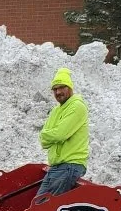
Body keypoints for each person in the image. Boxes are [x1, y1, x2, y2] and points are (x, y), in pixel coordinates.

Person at [36, 68, 89, 197]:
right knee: (39, 207)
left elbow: (60, 134)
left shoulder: (77, 106)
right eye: (55, 89)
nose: (58, 92)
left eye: (62, 87)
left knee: (42, 208)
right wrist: (49, 135)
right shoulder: (56, 110)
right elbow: (43, 140)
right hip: (57, 167)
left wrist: (49, 134)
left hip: (69, 166)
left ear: (70, 88)